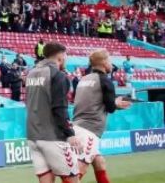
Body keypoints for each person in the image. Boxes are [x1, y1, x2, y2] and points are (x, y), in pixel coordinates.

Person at [72, 50, 132, 183]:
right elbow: (110, 107)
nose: (111, 64)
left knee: (99, 162)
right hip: (89, 130)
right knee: (79, 170)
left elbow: (93, 100)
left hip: (76, 127)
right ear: (104, 62)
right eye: (109, 60)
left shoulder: (84, 79)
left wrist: (113, 103)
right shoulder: (105, 81)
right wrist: (116, 103)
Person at [25, 42, 79, 183]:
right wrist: (70, 133)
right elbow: (59, 108)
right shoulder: (58, 76)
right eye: (66, 55)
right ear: (60, 56)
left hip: (33, 136)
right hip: (52, 137)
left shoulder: (31, 73)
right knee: (72, 178)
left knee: (46, 179)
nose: (66, 59)